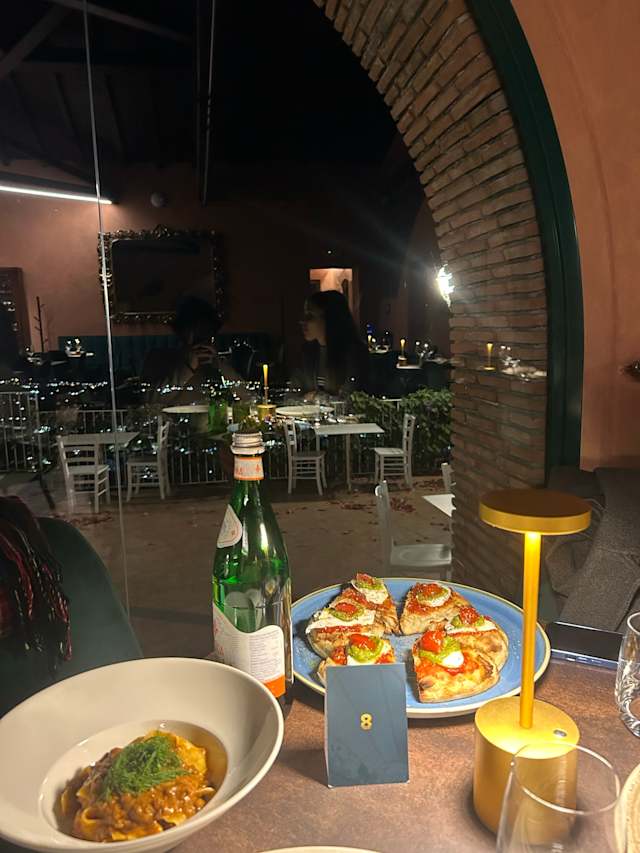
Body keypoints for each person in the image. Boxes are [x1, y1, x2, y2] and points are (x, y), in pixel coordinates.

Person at [142, 296, 241, 401]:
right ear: (182, 332)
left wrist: (221, 368)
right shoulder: (160, 358)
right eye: (196, 331)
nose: (202, 337)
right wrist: (187, 368)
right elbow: (150, 400)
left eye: (207, 331)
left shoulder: (218, 363)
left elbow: (247, 398)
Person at [296, 290, 369, 398]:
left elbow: (351, 398)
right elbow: (293, 392)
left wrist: (316, 397)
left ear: (330, 318)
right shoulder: (308, 352)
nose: (302, 321)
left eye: (310, 315)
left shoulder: (354, 353)